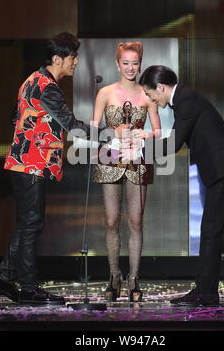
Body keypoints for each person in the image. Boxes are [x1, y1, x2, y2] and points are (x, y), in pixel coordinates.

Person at [0, 32, 116, 305]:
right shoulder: (46, 86)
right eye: (72, 57)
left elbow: (16, 117)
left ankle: (5, 278)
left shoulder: (30, 81)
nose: (76, 62)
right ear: (57, 59)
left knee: (28, 223)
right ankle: (27, 286)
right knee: (31, 224)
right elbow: (70, 123)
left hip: (23, 162)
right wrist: (107, 135)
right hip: (32, 163)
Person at [134, 65, 224, 306]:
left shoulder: (186, 100)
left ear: (161, 87)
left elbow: (174, 144)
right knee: (210, 232)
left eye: (150, 93)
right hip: (223, 170)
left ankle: (206, 294)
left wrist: (138, 151)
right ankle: (204, 291)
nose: (150, 99)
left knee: (210, 232)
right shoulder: (184, 99)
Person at [92, 42, 161, 302]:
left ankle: (134, 278)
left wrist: (145, 134)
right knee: (111, 221)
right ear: (117, 64)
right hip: (109, 160)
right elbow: (92, 130)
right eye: (126, 63)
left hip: (138, 161)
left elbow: (158, 131)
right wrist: (112, 133)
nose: (130, 68)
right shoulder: (105, 93)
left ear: (140, 64)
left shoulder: (147, 94)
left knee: (136, 222)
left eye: (134, 63)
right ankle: (113, 275)